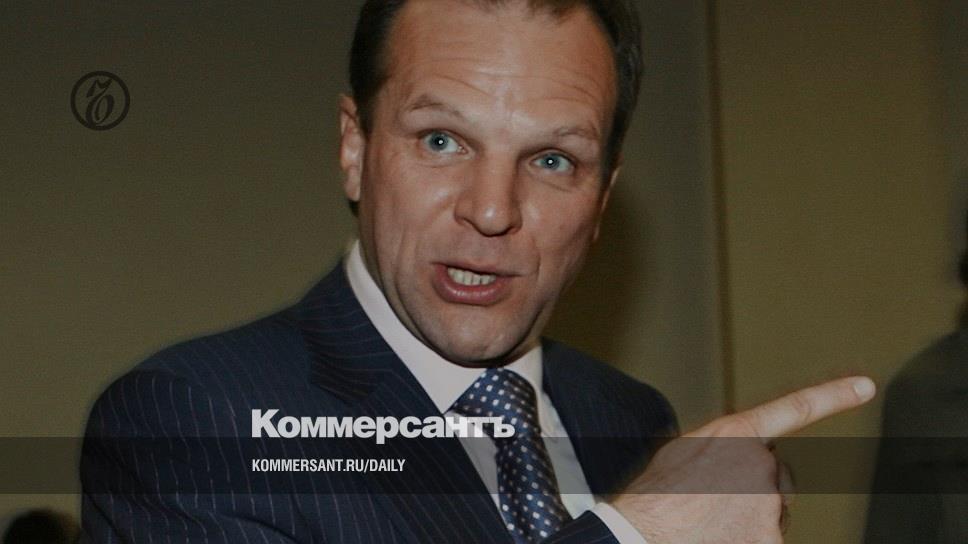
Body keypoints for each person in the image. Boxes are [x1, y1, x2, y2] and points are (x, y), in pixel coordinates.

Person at [80, 1, 875, 542]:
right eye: (441, 141)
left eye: (553, 159)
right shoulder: (192, 423)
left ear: (601, 201)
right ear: (354, 148)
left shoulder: (630, 419)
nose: (492, 210)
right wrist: (636, 533)